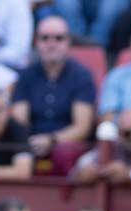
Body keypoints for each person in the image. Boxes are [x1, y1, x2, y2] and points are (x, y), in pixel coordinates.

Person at [10, 15, 96, 175]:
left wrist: (52, 139)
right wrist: (31, 141)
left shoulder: (82, 76)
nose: (51, 44)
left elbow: (82, 127)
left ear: (68, 42)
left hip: (67, 144)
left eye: (58, 38)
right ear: (36, 42)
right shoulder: (26, 75)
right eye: (45, 38)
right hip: (32, 141)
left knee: (62, 153)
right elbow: (19, 120)